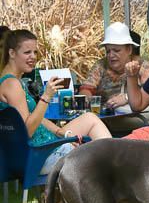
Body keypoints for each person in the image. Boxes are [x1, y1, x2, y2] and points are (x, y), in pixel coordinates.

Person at [0, 29, 112, 174]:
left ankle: (113, 170)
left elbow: (33, 116)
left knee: (90, 118)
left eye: (35, 52)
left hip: (37, 148)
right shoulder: (12, 85)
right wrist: (46, 97)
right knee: (97, 154)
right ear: (12, 53)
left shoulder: (12, 81)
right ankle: (115, 175)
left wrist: (60, 132)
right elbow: (27, 131)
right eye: (27, 52)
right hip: (38, 156)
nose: (33, 57)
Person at [79, 23, 149, 131]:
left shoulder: (142, 65)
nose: (111, 55)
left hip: (134, 118)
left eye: (116, 50)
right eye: (108, 51)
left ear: (129, 49)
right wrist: (87, 99)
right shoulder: (101, 65)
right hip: (105, 115)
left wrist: (127, 98)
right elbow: (86, 88)